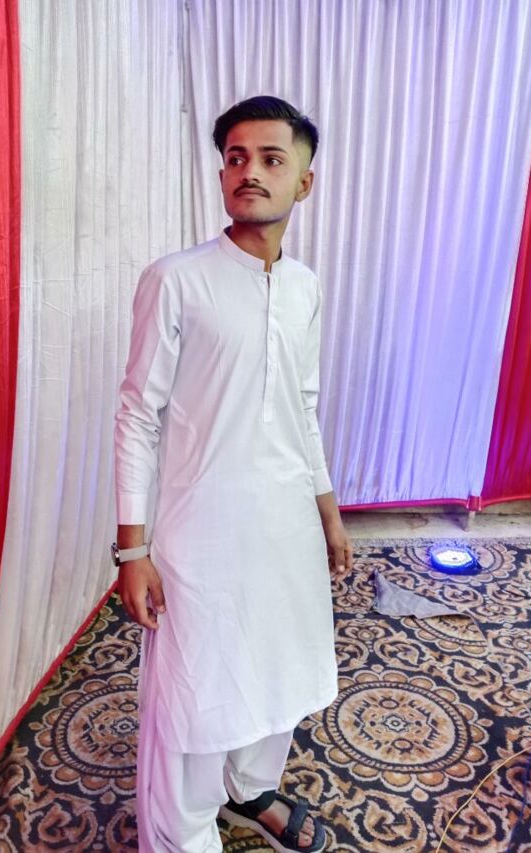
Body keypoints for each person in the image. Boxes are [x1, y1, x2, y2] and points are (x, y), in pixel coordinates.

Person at [113, 95, 353, 852]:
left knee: (278, 673)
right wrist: (133, 549)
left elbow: (303, 406)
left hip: (285, 528)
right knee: (194, 703)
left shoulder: (306, 287)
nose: (250, 172)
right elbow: (137, 416)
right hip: (201, 537)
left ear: (304, 182)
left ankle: (250, 790)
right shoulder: (176, 280)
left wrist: (327, 511)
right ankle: (183, 832)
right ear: (222, 173)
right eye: (236, 157)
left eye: (271, 159)